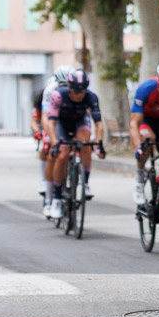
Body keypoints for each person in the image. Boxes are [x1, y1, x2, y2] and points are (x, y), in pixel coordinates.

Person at [48, 70, 105, 219]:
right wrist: (54, 143)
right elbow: (51, 122)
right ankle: (57, 197)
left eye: (83, 90)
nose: (79, 94)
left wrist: (98, 143)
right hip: (62, 124)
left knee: (85, 142)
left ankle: (85, 183)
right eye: (76, 90)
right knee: (62, 155)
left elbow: (98, 124)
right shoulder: (58, 95)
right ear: (69, 87)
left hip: (80, 122)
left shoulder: (91, 97)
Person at [130, 57, 159, 204]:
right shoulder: (146, 89)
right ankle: (139, 179)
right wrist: (138, 147)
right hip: (148, 121)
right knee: (147, 138)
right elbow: (134, 123)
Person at [40, 66, 75, 216]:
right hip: (54, 120)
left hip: (72, 118)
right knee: (52, 155)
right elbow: (45, 117)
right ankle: (49, 199)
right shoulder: (51, 90)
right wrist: (50, 138)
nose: (65, 89)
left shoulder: (79, 89)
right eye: (62, 85)